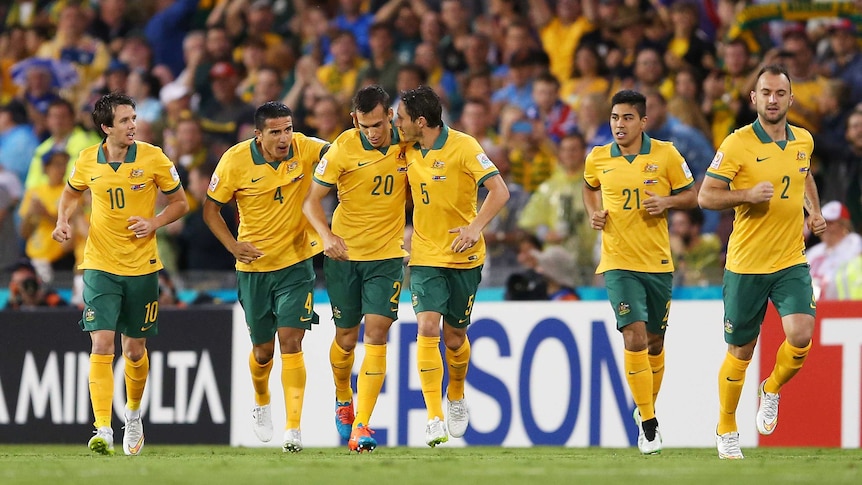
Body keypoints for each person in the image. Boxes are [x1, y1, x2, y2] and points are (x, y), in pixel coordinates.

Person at [698, 64, 826, 460]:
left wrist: (814, 212)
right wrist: (747, 195)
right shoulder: (737, 144)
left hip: (790, 259)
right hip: (746, 264)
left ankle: (770, 389)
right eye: (765, 93)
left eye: (779, 93)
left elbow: (804, 176)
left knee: (801, 334)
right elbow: (706, 196)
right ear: (753, 98)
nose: (772, 100)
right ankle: (726, 427)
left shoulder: (803, 140)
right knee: (741, 351)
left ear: (791, 98)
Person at [51, 92, 189, 456]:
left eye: (134, 118)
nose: (133, 125)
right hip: (99, 265)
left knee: (134, 351)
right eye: (125, 120)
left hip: (142, 268)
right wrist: (62, 220)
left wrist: (154, 222)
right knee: (101, 344)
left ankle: (132, 414)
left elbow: (181, 202)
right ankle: (102, 428)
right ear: (106, 127)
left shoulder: (154, 157)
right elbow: (70, 193)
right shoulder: (86, 161)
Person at [203, 101, 329, 453]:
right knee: (262, 351)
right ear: (258, 135)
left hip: (296, 264)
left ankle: (293, 428)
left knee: (291, 341)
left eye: (288, 128)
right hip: (255, 269)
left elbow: (339, 152)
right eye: (275, 131)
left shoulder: (305, 147)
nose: (284, 137)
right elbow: (210, 208)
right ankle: (262, 399)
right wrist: (232, 245)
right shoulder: (234, 161)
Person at [583, 89, 697, 456]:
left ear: (643, 121)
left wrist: (667, 201)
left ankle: (643, 406)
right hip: (618, 263)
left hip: (658, 264)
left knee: (654, 343)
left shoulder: (666, 154)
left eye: (627, 118)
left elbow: (693, 195)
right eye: (615, 118)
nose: (619, 124)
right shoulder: (599, 157)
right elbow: (589, 188)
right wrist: (593, 212)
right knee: (632, 337)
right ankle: (649, 425)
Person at [395, 85, 510, 447]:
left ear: (421, 122)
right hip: (426, 255)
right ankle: (433, 417)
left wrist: (475, 228)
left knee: (455, 336)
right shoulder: (404, 148)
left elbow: (500, 191)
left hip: (465, 255)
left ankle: (456, 393)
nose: (397, 124)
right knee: (427, 327)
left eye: (401, 118)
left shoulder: (464, 146)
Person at [302, 85, 407, 453]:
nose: (372, 132)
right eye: (365, 126)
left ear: (390, 116)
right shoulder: (343, 147)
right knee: (346, 338)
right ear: (354, 121)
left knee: (377, 334)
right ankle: (343, 397)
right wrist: (325, 235)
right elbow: (311, 202)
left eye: (378, 124)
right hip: (344, 256)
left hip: (387, 257)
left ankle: (362, 423)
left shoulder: (407, 144)